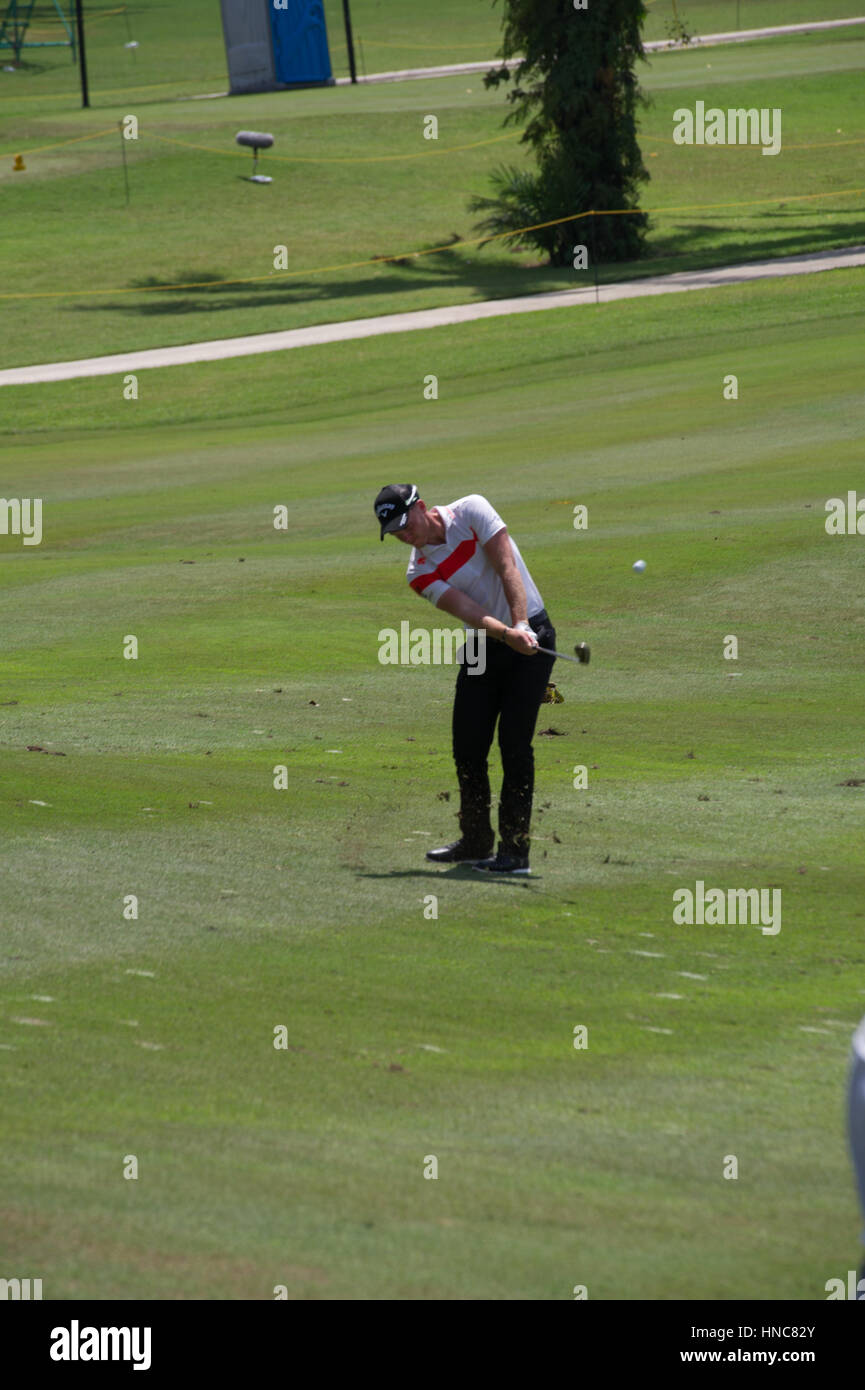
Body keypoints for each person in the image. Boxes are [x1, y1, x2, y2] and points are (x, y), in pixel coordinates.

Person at [374, 483, 556, 875]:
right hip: (483, 643)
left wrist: (522, 625)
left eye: (405, 524)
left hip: (532, 631)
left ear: (421, 507)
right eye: (395, 533)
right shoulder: (418, 570)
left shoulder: (472, 510)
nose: (404, 536)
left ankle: (515, 851)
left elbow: (506, 564)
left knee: (514, 743)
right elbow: (468, 610)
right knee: (468, 744)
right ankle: (475, 841)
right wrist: (507, 634)